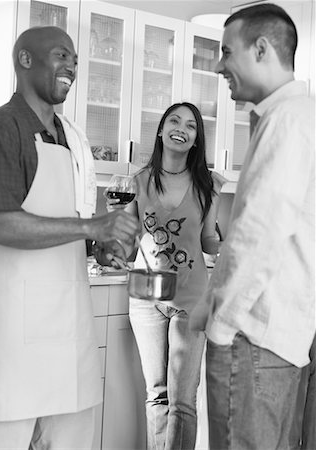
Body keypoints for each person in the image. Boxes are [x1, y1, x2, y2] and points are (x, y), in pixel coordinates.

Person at [0, 26, 139, 450]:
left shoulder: (70, 137)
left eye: (76, 61)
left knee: (71, 437)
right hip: (15, 327)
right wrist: (90, 228)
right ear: (25, 60)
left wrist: (101, 245)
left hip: (68, 321)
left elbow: (65, 220)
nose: (72, 68)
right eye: (62, 56)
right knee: (1, 438)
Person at [189, 4, 315, 450]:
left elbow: (260, 233)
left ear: (261, 49)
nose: (220, 64)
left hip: (253, 338)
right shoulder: (295, 117)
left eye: (227, 51)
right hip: (276, 340)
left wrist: (222, 327)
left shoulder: (288, 120)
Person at [107, 102, 226, 450]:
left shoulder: (208, 185)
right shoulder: (138, 182)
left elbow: (207, 240)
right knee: (157, 394)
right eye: (174, 120)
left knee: (183, 401)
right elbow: (127, 246)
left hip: (190, 299)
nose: (181, 128)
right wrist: (114, 226)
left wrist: (232, 245)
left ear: (195, 139)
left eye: (191, 125)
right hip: (146, 297)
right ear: (161, 130)